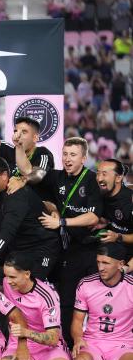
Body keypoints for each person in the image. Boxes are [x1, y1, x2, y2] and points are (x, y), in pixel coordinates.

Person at [38, 137, 103, 345]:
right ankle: (67, 344)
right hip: (68, 250)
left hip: (92, 249)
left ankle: (96, 343)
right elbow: (31, 177)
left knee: (96, 298)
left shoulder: (92, 180)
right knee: (66, 301)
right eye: (65, 154)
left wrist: (62, 222)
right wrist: (54, 209)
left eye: (73, 155)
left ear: (83, 158)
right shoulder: (56, 177)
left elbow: (93, 217)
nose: (67, 159)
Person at [0, 253, 73, 360]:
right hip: (18, 342)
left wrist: (25, 333)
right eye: (6, 276)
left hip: (47, 346)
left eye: (12, 277)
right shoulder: (7, 284)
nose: (8, 281)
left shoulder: (47, 295)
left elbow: (53, 338)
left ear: (27, 274)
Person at [0, 157, 60, 280]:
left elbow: (7, 231)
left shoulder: (16, 196)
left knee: (30, 286)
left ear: (4, 175)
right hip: (20, 250)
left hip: (42, 249)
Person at [71, 242, 133, 360]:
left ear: (120, 264)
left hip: (122, 345)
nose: (100, 267)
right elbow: (77, 321)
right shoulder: (86, 284)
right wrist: (78, 339)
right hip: (93, 344)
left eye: (106, 263)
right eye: (98, 262)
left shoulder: (131, 286)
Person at [0, 93, 55, 198]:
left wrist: (22, 180)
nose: (18, 135)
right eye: (16, 131)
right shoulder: (10, 149)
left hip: (34, 208)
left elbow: (37, 175)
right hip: (8, 207)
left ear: (35, 138)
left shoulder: (43, 153)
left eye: (24, 132)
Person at [97, 158, 133, 262]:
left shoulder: (129, 200)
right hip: (110, 250)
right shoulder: (103, 194)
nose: (99, 178)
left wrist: (118, 236)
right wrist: (104, 222)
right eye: (98, 173)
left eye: (104, 174)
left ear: (118, 178)